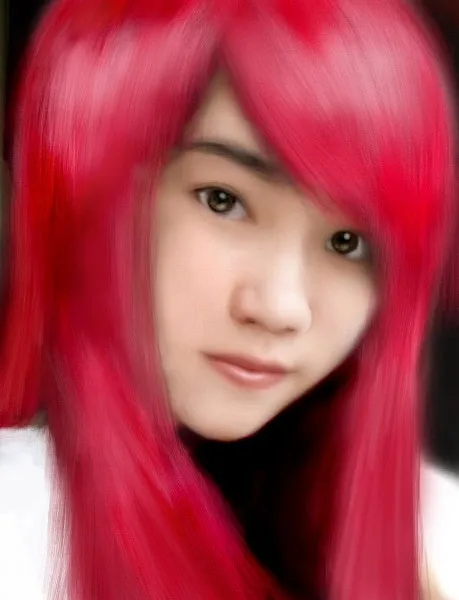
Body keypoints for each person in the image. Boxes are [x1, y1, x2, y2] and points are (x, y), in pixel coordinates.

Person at [0, 0, 458, 598]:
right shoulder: (20, 528)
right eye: (223, 200)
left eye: (348, 243)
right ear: (91, 184)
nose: (281, 308)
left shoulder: (434, 528)